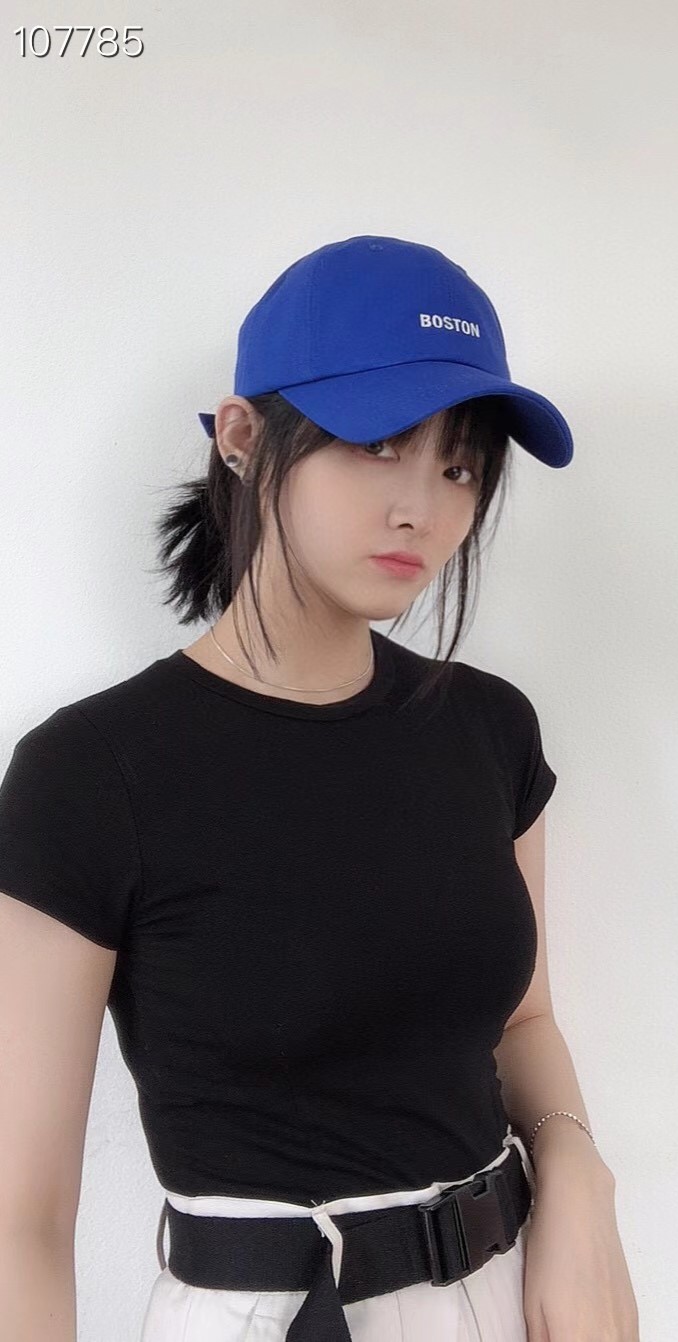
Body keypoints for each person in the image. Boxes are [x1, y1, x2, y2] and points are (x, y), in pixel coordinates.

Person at [0, 235, 635, 1341]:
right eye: (377, 444)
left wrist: (579, 1174)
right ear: (243, 437)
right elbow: (22, 1214)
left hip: (508, 1291)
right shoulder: (93, 772)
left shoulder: (487, 728)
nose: (422, 508)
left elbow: (522, 1017)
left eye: (458, 465)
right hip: (272, 1312)